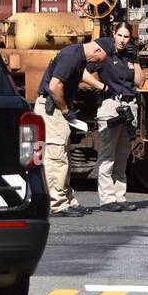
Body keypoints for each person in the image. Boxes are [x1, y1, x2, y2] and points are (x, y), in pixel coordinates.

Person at [33, 40, 107, 217]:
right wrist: (66, 110)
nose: (96, 63)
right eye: (98, 60)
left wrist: (102, 87)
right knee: (56, 156)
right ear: (97, 49)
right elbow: (54, 85)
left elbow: (81, 76)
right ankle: (56, 204)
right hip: (52, 108)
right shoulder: (72, 56)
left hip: (58, 108)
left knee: (63, 155)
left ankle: (66, 199)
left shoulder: (79, 58)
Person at [93, 22, 145, 212]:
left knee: (123, 154)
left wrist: (136, 59)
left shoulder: (129, 57)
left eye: (126, 37)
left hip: (129, 105)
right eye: (120, 36)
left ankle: (119, 196)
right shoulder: (104, 53)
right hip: (111, 105)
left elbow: (140, 81)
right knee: (107, 154)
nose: (123, 40)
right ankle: (107, 199)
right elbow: (84, 71)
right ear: (114, 34)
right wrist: (101, 87)